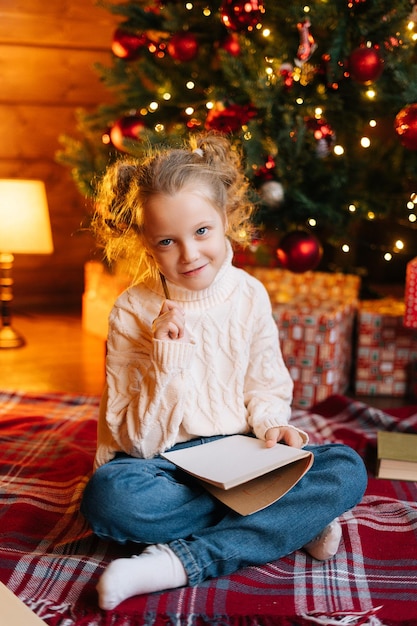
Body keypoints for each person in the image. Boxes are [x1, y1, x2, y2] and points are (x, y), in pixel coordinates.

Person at [80, 132, 367, 611]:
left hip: (240, 453)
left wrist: (272, 424)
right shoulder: (132, 309)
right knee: (110, 498)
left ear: (226, 220)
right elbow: (135, 442)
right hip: (162, 464)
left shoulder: (249, 293)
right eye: (167, 241)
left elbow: (265, 383)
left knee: (345, 468)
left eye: (201, 232)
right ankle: (286, 520)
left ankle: (176, 561)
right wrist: (166, 362)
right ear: (147, 245)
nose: (189, 255)